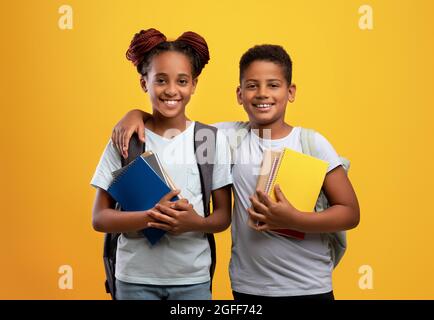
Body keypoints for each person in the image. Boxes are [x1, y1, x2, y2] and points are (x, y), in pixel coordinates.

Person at [110, 44, 360, 300]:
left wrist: (293, 219)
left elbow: (350, 213)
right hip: (248, 287)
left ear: (291, 91)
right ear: (239, 94)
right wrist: (135, 114)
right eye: (252, 86)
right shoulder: (225, 138)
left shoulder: (311, 143)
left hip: (310, 285)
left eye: (273, 85)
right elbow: (175, 122)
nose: (262, 94)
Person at [90, 28, 232, 300]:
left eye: (181, 81)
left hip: (193, 279)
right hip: (133, 278)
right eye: (161, 80)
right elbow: (99, 218)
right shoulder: (126, 140)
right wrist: (150, 217)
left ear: (194, 84)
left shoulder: (208, 140)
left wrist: (192, 222)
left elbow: (223, 216)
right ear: (145, 83)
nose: (171, 90)